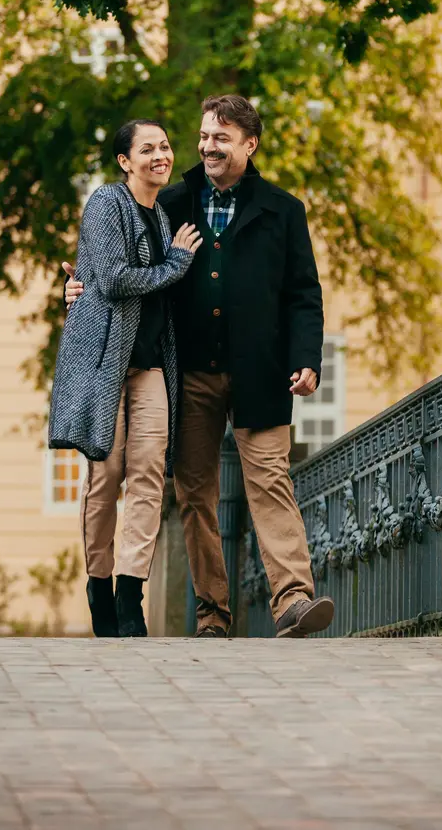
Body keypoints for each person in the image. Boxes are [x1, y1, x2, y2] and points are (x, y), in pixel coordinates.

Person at [66, 96, 334, 639]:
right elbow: (117, 263)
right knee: (195, 494)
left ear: (249, 145)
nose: (209, 147)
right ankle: (213, 613)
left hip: (261, 372)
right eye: (205, 136)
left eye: (222, 138)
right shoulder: (173, 201)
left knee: (270, 481)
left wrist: (307, 360)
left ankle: (293, 601)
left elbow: (303, 294)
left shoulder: (283, 210)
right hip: (186, 373)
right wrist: (74, 289)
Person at [50, 119, 202, 638]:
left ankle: (130, 596)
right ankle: (98, 582)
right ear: (124, 161)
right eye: (147, 149)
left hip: (153, 365)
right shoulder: (105, 204)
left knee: (148, 479)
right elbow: (112, 279)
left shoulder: (163, 216)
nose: (160, 155)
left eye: (164, 146)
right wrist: (176, 264)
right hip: (106, 364)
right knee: (106, 477)